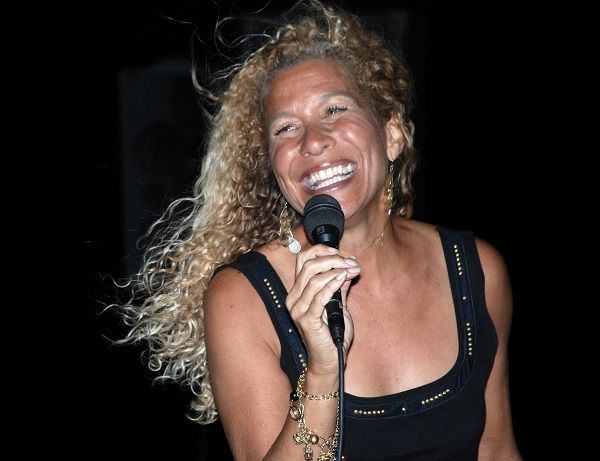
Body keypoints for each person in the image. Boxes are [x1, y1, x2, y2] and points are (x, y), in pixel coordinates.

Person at [115, 1, 523, 459]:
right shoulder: (243, 298)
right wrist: (322, 371)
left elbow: (497, 448)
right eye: (285, 129)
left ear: (392, 135)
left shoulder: (476, 269)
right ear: (274, 168)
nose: (311, 141)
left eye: (334, 110)